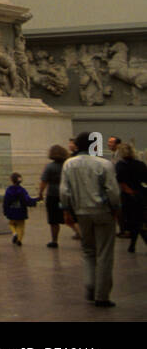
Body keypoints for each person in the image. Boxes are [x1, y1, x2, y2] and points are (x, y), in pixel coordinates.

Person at [60, 131, 121, 307]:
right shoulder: (104, 164)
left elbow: (64, 192)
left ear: (77, 145)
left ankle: (90, 287)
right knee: (104, 253)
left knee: (88, 251)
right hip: (103, 211)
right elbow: (112, 190)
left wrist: (66, 211)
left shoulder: (69, 164)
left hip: (81, 212)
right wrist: (116, 208)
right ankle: (102, 295)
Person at [38, 144, 79, 247]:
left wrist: (40, 193)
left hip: (53, 195)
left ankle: (54, 240)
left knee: (53, 220)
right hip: (68, 194)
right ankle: (81, 234)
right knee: (72, 218)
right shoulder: (69, 165)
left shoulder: (49, 167)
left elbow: (44, 181)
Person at [114, 142, 147, 252]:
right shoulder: (140, 164)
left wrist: (130, 192)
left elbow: (121, 183)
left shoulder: (120, 166)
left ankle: (133, 244)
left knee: (133, 221)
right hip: (141, 195)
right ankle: (132, 245)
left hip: (128, 197)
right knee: (140, 220)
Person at [2, 172, 38, 245]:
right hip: (21, 211)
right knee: (21, 226)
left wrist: (5, 210)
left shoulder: (9, 190)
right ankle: (19, 239)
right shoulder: (22, 190)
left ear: (11, 180)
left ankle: (14, 233)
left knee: (11, 224)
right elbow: (27, 200)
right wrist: (35, 200)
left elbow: (6, 201)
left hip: (11, 211)